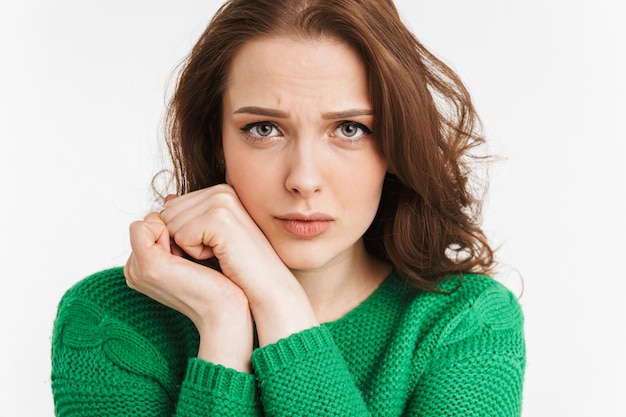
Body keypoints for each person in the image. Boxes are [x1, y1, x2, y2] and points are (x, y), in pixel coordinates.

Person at [51, 0, 525, 415]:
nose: (303, 179)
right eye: (263, 129)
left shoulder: (465, 325)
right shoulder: (111, 322)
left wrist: (278, 305)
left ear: (395, 145)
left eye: (349, 129)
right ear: (215, 141)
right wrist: (222, 325)